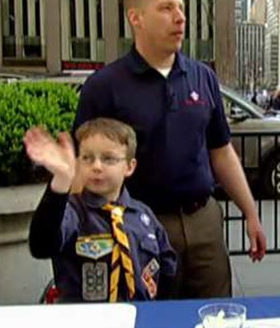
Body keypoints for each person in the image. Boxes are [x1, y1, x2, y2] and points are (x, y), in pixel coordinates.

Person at [73, 0, 267, 299]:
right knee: (150, 322)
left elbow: (221, 151)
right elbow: (82, 165)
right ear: (136, 18)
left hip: (203, 220)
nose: (180, 17)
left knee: (214, 316)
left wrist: (251, 213)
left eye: (181, 8)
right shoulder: (105, 86)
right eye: (166, 8)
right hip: (137, 224)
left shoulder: (202, 76)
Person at [25, 119, 177, 303]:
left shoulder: (143, 215)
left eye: (108, 159)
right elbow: (41, 245)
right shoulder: (73, 212)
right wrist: (61, 181)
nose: (96, 166)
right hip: (86, 320)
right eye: (87, 158)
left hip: (139, 316)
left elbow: (167, 266)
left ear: (129, 166)